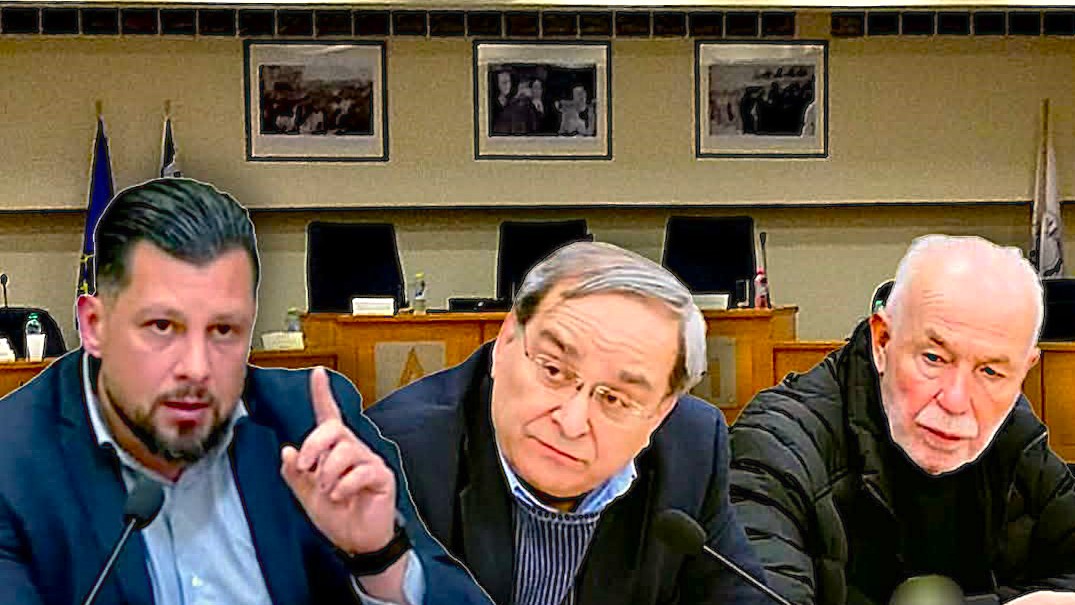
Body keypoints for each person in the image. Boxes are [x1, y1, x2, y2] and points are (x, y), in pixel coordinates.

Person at [0, 178, 490, 605]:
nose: (196, 369)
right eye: (162, 327)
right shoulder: (13, 466)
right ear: (94, 326)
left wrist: (381, 559)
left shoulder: (310, 426)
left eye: (224, 331)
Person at [368, 242, 766, 605]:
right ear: (506, 341)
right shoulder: (395, 455)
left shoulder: (691, 448)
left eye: (614, 399)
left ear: (660, 413)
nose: (572, 423)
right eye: (554, 371)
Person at [730, 235, 1075, 605]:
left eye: (990, 371)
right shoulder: (776, 447)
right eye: (933, 358)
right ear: (882, 341)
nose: (956, 401)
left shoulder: (1015, 434)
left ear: (1024, 371)